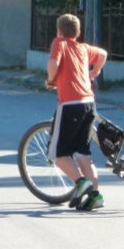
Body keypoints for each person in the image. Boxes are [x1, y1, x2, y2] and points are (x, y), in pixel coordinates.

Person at [45, 14, 108, 210]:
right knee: (82, 154)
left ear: (59, 31)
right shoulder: (83, 48)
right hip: (89, 103)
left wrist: (50, 79)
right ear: (78, 32)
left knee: (57, 154)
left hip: (70, 104)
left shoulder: (59, 42)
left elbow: (54, 63)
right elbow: (103, 54)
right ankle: (95, 197)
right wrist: (95, 71)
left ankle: (81, 182)